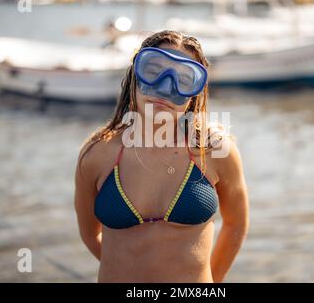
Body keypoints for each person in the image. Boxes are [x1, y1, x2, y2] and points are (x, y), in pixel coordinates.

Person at [74, 30, 249, 283]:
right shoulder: (97, 154)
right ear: (135, 74)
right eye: (154, 71)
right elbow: (90, 234)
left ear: (194, 95)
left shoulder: (214, 151)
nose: (166, 88)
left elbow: (236, 225)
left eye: (184, 79)